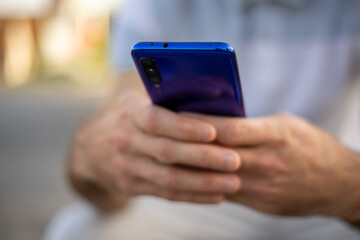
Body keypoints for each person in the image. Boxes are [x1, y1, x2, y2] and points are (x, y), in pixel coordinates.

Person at [45, 0, 360, 239]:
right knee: (75, 230)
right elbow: (118, 121)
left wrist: (347, 186)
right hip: (203, 196)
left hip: (329, 201)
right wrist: (92, 158)